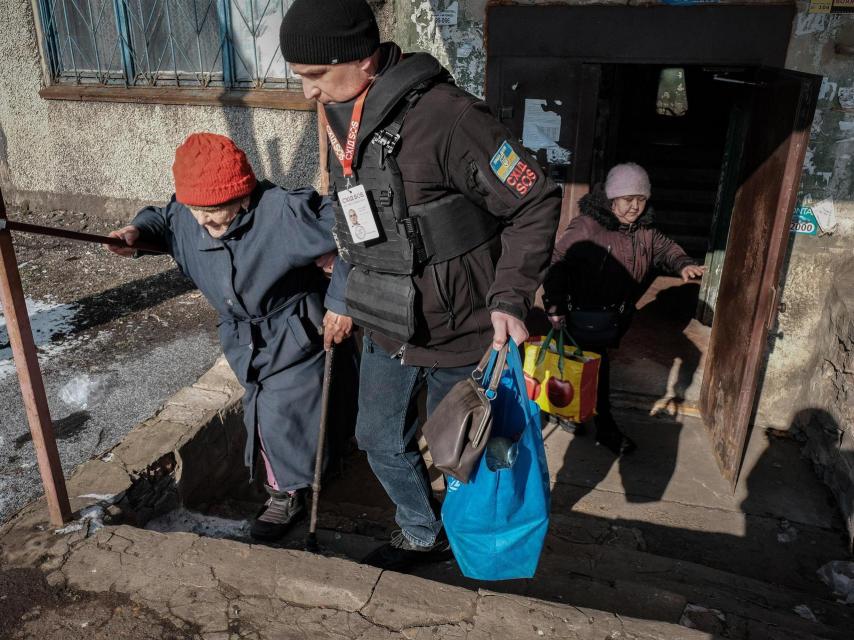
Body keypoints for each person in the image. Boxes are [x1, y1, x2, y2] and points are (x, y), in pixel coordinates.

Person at [279, 0, 561, 570]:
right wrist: (343, 298)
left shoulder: (452, 119)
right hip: (387, 327)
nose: (306, 92)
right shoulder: (339, 112)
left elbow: (535, 200)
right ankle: (420, 531)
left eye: (313, 76)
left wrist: (510, 295)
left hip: (463, 334)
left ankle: (475, 540)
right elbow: (354, 219)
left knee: (465, 455)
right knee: (378, 440)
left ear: (359, 60)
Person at [105, 132, 355, 542]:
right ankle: (310, 471)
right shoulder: (188, 214)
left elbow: (353, 233)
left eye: (215, 212)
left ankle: (284, 495)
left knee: (284, 416)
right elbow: (162, 218)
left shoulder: (283, 212)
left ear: (244, 195)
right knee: (275, 413)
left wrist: (342, 302)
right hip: (243, 339)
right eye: (198, 212)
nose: (205, 223)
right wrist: (135, 231)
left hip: (295, 331)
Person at [543, 162, 705, 455]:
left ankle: (565, 413)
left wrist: (684, 263)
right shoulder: (586, 226)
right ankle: (603, 429)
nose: (635, 207)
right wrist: (554, 303)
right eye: (628, 199)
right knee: (590, 369)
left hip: (612, 317)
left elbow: (667, 249)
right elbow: (558, 263)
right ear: (612, 198)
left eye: (641, 200)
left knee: (578, 367)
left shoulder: (645, 231)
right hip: (581, 314)